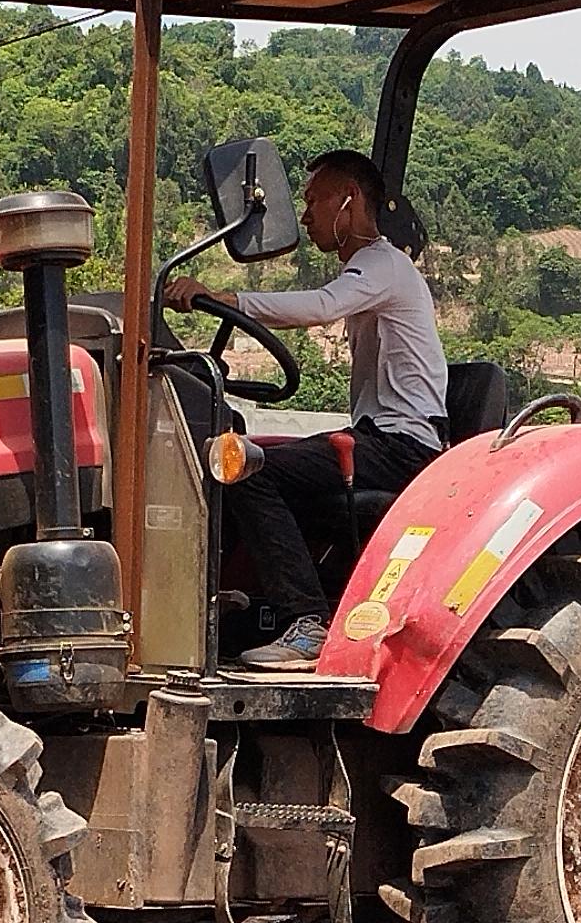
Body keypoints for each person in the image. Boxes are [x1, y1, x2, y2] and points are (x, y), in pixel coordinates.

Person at [162, 148, 445, 668]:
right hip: (379, 437)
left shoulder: (384, 263)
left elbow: (321, 306)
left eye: (315, 201)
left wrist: (226, 299)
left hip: (401, 445)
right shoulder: (371, 270)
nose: (307, 215)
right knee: (239, 456)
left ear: (349, 200)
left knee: (245, 467)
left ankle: (308, 623)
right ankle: (231, 602)